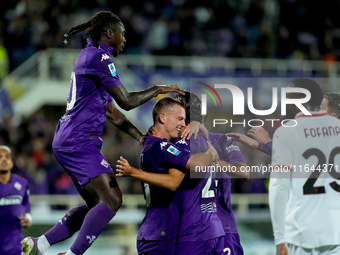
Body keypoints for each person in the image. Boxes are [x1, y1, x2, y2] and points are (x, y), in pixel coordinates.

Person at [21, 11, 185, 255]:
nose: (124, 39)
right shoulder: (99, 58)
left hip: (70, 139)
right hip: (78, 140)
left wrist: (140, 137)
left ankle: (39, 244)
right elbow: (127, 101)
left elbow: (113, 112)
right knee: (113, 198)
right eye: (122, 34)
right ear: (110, 33)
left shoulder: (93, 56)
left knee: (97, 205)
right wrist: (158, 89)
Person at [116, 97, 220, 254]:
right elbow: (174, 181)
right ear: (162, 118)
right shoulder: (159, 145)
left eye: (185, 119)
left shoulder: (154, 144)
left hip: (164, 233)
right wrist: (211, 153)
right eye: (179, 118)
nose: (183, 124)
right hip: (158, 233)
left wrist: (199, 126)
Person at [269, 78, 340, 255]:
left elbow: (279, 187)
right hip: (335, 233)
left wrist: (280, 239)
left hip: (302, 235)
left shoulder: (287, 132)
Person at [0, 145, 32, 255]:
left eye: (7, 157)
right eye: (0, 157)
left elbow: (26, 205)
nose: (3, 159)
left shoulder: (22, 184)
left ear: (12, 163)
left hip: (15, 246)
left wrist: (28, 217)